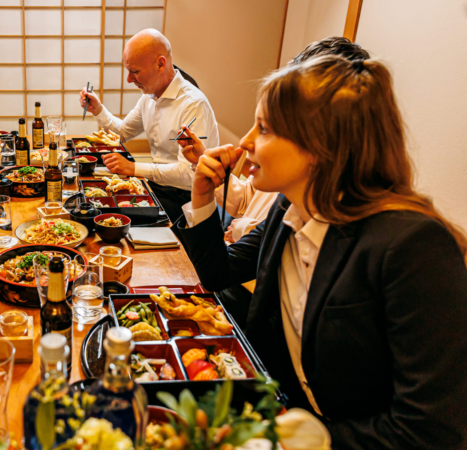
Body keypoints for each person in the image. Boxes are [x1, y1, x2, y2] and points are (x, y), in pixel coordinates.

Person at [174, 56, 467, 448]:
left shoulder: (413, 247)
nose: (244, 142)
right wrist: (203, 197)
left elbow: (431, 431)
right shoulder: (289, 210)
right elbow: (216, 275)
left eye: (263, 128)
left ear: (317, 145)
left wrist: (306, 439)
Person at [183, 36, 371, 244]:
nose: (245, 142)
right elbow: (248, 199)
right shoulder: (283, 182)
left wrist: (247, 229)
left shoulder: (318, 203)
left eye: (264, 128)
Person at [79, 28, 219, 222]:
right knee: (93, 204)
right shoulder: (150, 97)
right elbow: (122, 133)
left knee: (108, 218)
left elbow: (189, 174)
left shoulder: (192, 104)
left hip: (186, 200)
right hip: (155, 187)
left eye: (134, 71)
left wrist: (133, 168)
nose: (129, 79)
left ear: (161, 64)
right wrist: (98, 110)